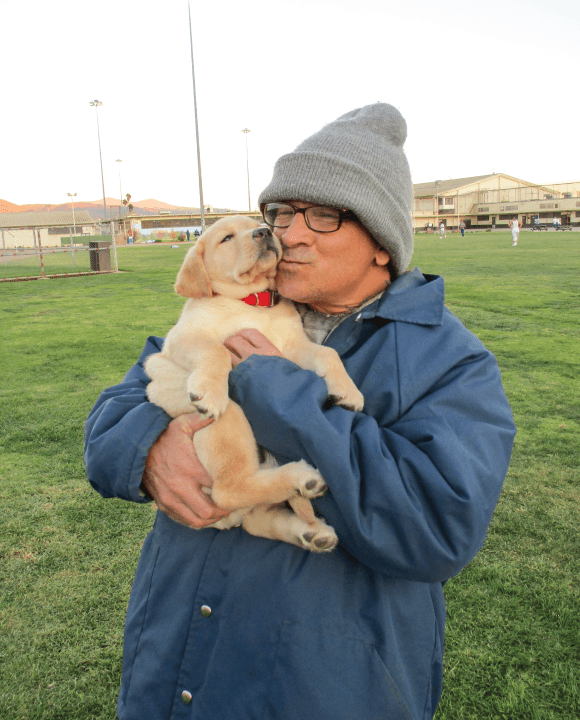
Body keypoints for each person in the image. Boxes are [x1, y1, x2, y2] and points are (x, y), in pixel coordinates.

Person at [84, 103, 516, 720]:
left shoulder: (449, 360)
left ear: (382, 244)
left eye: (324, 215)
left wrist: (271, 387)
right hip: (173, 671)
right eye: (282, 212)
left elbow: (436, 526)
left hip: (324, 690)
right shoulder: (236, 308)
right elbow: (115, 414)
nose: (290, 233)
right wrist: (148, 449)